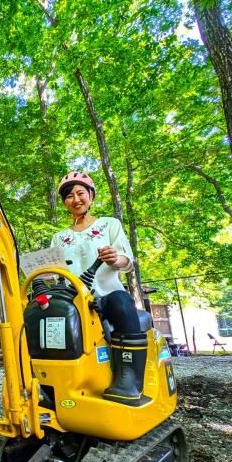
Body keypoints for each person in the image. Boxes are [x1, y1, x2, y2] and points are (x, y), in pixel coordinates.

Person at [51, 171, 146, 406]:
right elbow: (55, 273)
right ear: (65, 202)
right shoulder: (59, 237)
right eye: (69, 195)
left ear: (91, 196)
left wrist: (115, 259)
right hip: (73, 300)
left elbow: (127, 262)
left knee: (121, 303)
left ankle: (130, 377)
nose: (76, 199)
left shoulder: (109, 225)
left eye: (81, 193)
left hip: (105, 296)